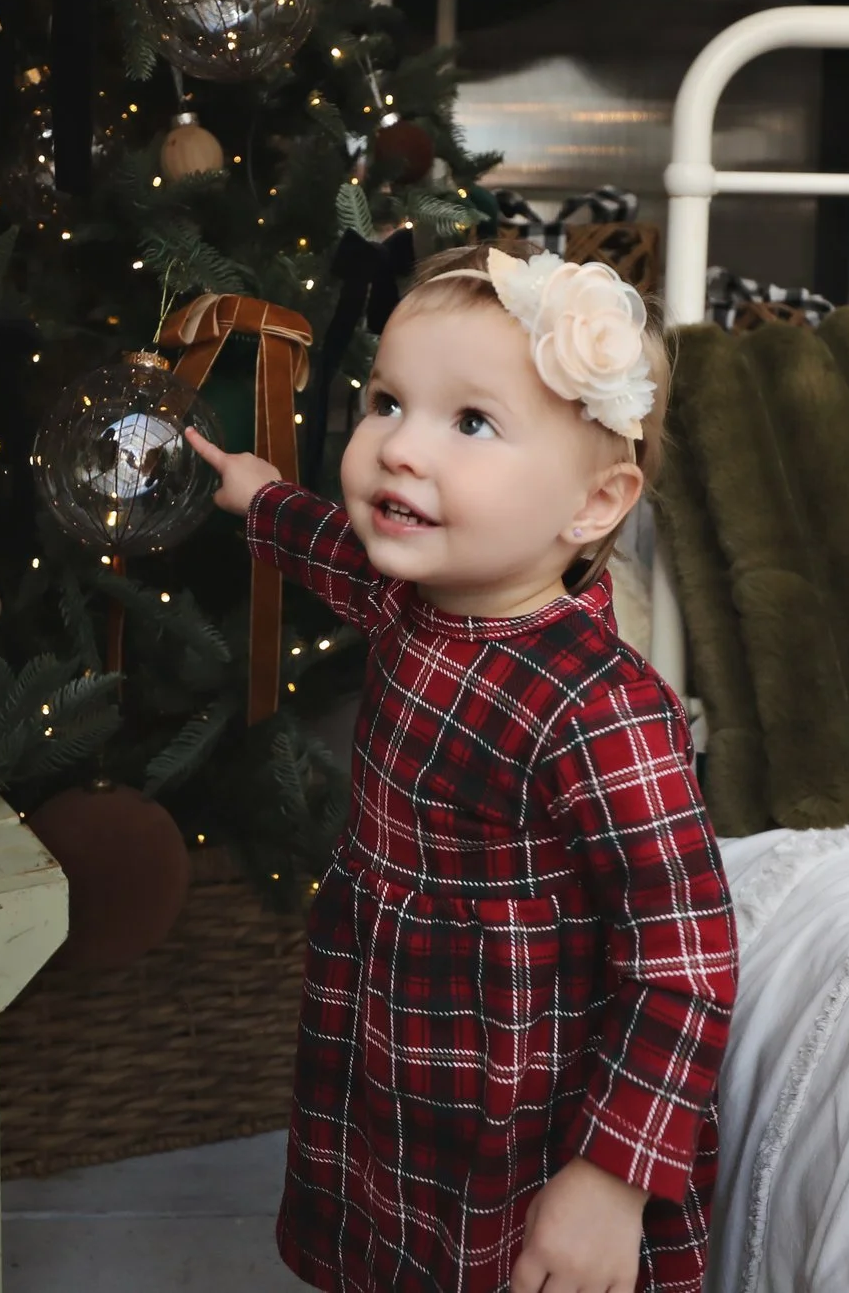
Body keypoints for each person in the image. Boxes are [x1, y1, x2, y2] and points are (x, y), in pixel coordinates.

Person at [186, 244, 737, 1293]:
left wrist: (613, 1175)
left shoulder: (601, 709)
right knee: (393, 1237)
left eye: (469, 421)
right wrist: (260, 496)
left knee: (502, 1261)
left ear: (594, 503)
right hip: (393, 1033)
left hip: (519, 1091)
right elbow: (337, 554)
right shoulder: (424, 590)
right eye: (387, 401)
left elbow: (685, 958)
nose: (397, 449)